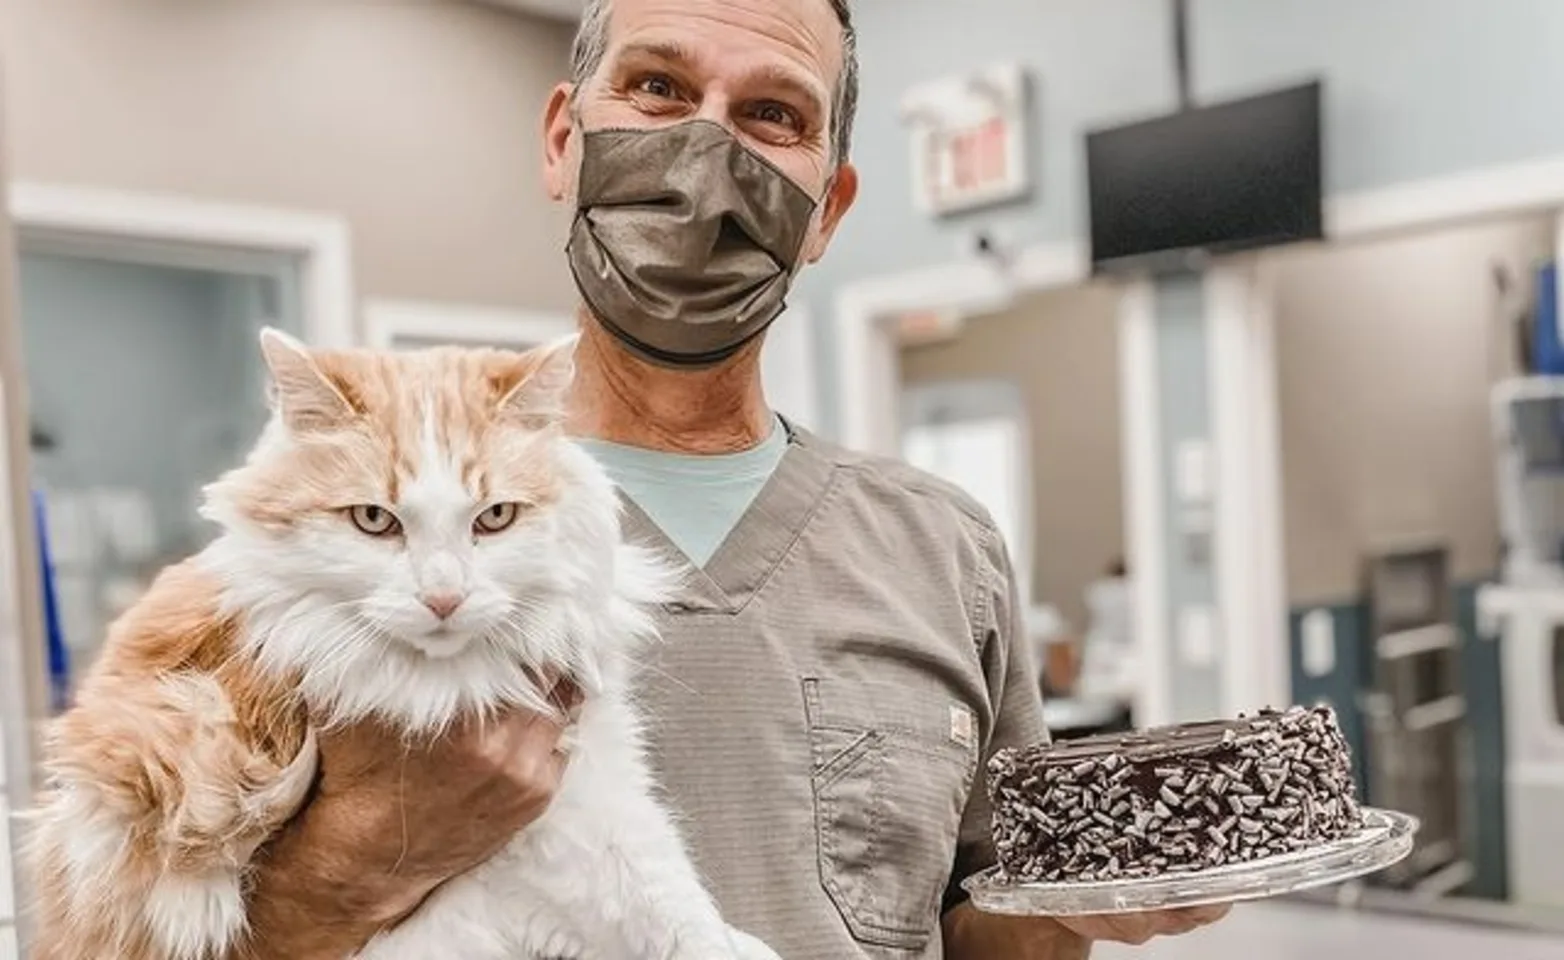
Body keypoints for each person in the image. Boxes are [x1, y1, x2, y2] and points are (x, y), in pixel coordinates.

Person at [238, 1, 1230, 957]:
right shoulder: (331, 553)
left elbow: (985, 928)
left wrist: (1077, 907)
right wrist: (356, 863)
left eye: (773, 114)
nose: (705, 158)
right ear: (560, 139)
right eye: (657, 86)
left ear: (827, 210)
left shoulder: (942, 553)